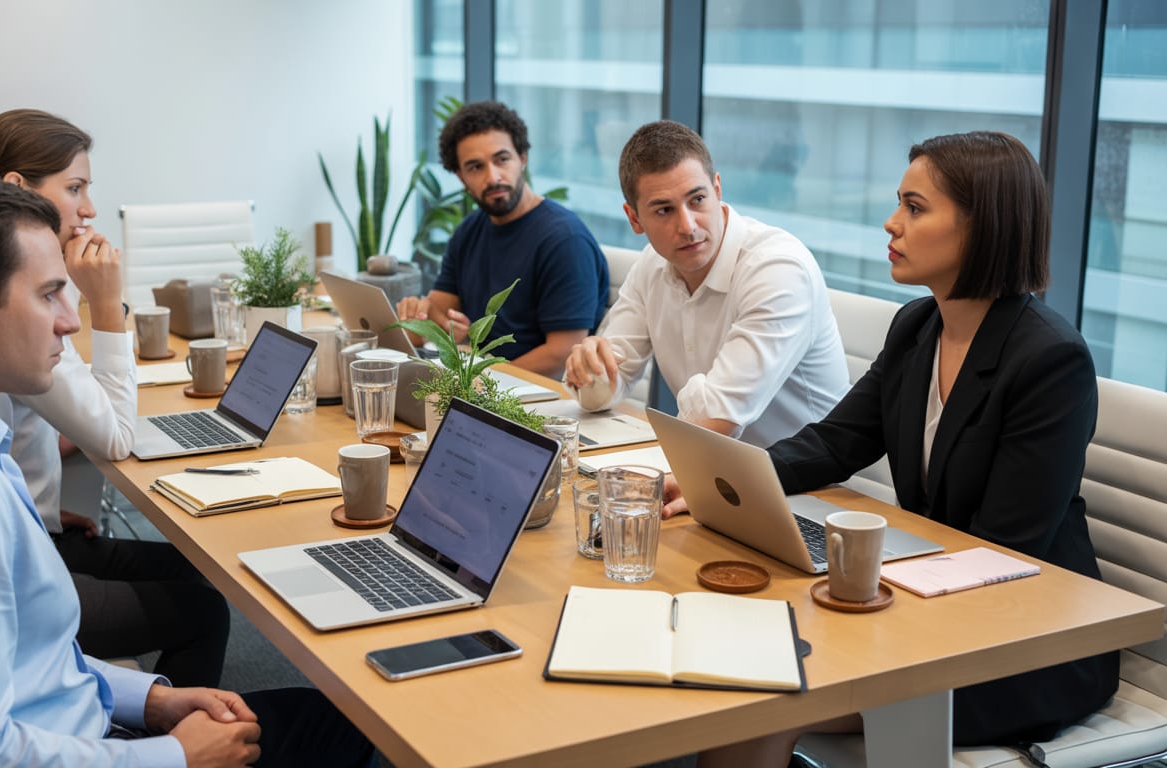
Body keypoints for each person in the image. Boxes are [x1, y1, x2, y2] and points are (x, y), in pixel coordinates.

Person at [0, 168, 372, 767]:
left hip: (78, 730)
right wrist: (174, 758)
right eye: (48, 293)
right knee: (348, 730)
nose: (70, 319)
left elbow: (31, 660)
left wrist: (150, 702)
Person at [688, 131, 1118, 767]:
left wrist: (862, 585)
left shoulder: (1050, 360)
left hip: (1024, 642)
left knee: (755, 705)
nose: (891, 222)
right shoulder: (917, 326)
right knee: (736, 669)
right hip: (929, 610)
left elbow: (1006, 547)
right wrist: (724, 481)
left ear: (983, 226)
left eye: (915, 208)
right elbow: (838, 441)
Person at [0, 109, 230, 687]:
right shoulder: (10, 303)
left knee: (196, 567)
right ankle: (178, 740)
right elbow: (116, 436)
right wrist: (107, 305)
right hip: (18, 566)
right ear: (17, 190)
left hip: (30, 529)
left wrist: (40, 506)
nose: (88, 209)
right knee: (206, 605)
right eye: (75, 188)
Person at [564, 120, 848, 458]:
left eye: (697, 199)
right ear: (635, 219)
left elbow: (717, 417)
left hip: (813, 490)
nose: (687, 226)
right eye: (664, 210)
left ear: (717, 189)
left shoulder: (778, 269)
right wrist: (589, 370)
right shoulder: (652, 265)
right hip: (715, 469)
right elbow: (608, 383)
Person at [396, 100, 609, 378]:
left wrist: (482, 380)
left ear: (522, 158)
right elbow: (438, 312)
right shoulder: (469, 230)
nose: (493, 177)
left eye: (502, 159)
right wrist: (420, 316)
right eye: (475, 167)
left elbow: (562, 352)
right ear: (461, 177)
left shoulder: (565, 241)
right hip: (480, 389)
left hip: (537, 399)